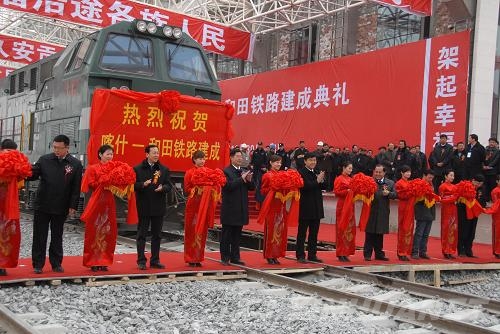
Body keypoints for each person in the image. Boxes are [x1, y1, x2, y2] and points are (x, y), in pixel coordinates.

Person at [29, 134, 83, 274]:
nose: (56, 150)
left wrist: (73, 206)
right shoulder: (45, 159)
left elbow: (76, 187)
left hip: (61, 205)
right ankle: (38, 264)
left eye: (59, 148)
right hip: (43, 204)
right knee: (39, 235)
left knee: (57, 235)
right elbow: (33, 174)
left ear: (67, 148)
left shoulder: (75, 164)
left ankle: (56, 263)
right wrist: (24, 169)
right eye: (54, 147)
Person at [80, 145, 137, 272]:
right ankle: (93, 261)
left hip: (108, 203)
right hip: (96, 202)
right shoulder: (93, 168)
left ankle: (104, 261)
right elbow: (91, 184)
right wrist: (103, 182)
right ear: (100, 154)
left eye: (111, 154)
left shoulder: (115, 168)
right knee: (93, 232)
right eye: (107, 154)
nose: (110, 156)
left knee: (108, 232)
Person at [134, 144, 172, 270]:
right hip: (143, 206)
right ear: (147, 154)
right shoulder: (138, 169)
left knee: (157, 235)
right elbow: (133, 185)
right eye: (154, 153)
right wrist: (142, 184)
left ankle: (155, 260)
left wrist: (163, 188)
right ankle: (141, 261)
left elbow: (169, 185)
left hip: (158, 206)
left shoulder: (164, 169)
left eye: (158, 152)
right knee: (142, 234)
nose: (156, 155)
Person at [183, 151, 222, 267]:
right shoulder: (189, 173)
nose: (202, 161)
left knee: (202, 231)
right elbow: (187, 189)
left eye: (203, 158)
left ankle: (198, 257)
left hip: (204, 206)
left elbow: (215, 186)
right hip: (193, 205)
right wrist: (196, 190)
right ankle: (190, 258)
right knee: (191, 231)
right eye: (199, 159)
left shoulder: (208, 172)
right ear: (194, 160)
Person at [0, 139, 31, 276]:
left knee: (6, 232)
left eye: (12, 152)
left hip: (9, 202)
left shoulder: (17, 162)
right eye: (7, 151)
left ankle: (2, 264)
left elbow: (21, 182)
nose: (9, 154)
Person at [220, 147, 254, 265]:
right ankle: (225, 257)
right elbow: (227, 186)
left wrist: (249, 180)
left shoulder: (244, 170)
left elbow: (252, 187)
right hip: (230, 208)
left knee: (237, 235)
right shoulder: (226, 171)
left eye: (241, 157)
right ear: (231, 158)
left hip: (241, 208)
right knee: (227, 234)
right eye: (238, 157)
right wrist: (241, 179)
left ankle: (235, 257)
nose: (240, 159)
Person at [363, 165, 397, 261]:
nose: (377, 174)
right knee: (369, 233)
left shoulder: (390, 183)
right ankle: (367, 254)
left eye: (379, 172)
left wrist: (389, 194)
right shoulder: (369, 181)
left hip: (383, 211)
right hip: (370, 211)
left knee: (379, 233)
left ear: (384, 173)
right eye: (376, 172)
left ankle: (379, 254)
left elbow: (396, 194)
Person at [296, 152, 325, 263]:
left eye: (314, 160)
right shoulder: (301, 172)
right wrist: (317, 181)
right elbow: (305, 186)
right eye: (311, 160)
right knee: (302, 233)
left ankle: (312, 254)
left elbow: (323, 186)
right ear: (305, 161)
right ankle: (300, 255)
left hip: (317, 206)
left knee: (314, 233)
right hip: (305, 207)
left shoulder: (316, 171)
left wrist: (321, 180)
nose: (313, 162)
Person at [259, 155, 287, 264]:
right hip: (271, 206)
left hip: (280, 205)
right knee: (270, 230)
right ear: (271, 163)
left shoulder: (282, 175)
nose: (278, 164)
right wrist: (272, 188)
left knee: (279, 230)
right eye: (276, 162)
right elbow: (263, 190)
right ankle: (269, 255)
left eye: (280, 163)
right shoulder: (267, 175)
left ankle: (276, 254)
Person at [457, 174, 486, 257]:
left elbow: (483, 200)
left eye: (480, 184)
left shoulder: (481, 189)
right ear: (473, 180)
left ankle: (468, 250)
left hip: (474, 213)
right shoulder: (465, 186)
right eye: (477, 183)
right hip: (464, 212)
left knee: (471, 232)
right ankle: (461, 250)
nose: (478, 185)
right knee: (463, 231)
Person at [412, 170, 437, 259]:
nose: (430, 179)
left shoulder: (431, 185)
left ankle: (423, 251)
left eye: (432, 178)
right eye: (429, 177)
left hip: (430, 211)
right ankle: (415, 251)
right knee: (419, 233)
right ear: (424, 175)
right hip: (422, 210)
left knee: (426, 234)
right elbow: (417, 197)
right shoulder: (419, 183)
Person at [334, 161, 354, 262]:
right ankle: (340, 253)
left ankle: (346, 252)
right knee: (341, 229)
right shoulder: (339, 179)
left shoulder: (351, 179)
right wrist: (347, 191)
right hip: (342, 206)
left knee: (349, 229)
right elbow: (336, 192)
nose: (350, 170)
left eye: (351, 169)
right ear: (344, 168)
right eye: (349, 168)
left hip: (350, 206)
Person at [395, 165, 414, 261]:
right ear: (402, 173)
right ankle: (400, 252)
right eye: (406, 172)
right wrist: (410, 193)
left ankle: (406, 252)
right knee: (403, 229)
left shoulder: (411, 183)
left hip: (410, 208)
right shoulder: (399, 183)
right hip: (403, 208)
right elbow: (401, 195)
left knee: (409, 230)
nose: (408, 173)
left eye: (409, 172)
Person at [438, 170, 458, 259]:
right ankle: (445, 250)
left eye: (453, 176)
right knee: (446, 229)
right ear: (446, 176)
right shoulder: (442, 186)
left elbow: (456, 198)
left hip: (453, 209)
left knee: (453, 230)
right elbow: (441, 199)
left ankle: (451, 250)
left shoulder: (455, 187)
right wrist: (452, 198)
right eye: (450, 175)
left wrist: (454, 198)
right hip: (446, 209)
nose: (452, 177)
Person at [486, 175, 500, 259]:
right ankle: (496, 251)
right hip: (497, 214)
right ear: (497, 181)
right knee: (497, 233)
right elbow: (496, 203)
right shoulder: (495, 191)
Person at [483, 137, 499, 202]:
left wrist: (489, 166)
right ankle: (486, 199)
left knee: (493, 186)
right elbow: (482, 159)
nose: (491, 143)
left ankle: (493, 200)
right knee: (485, 186)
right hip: (485, 171)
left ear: (495, 143)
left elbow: (496, 160)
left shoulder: (498, 151)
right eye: (490, 142)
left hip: (493, 171)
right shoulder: (486, 150)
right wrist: (484, 166)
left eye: (493, 142)